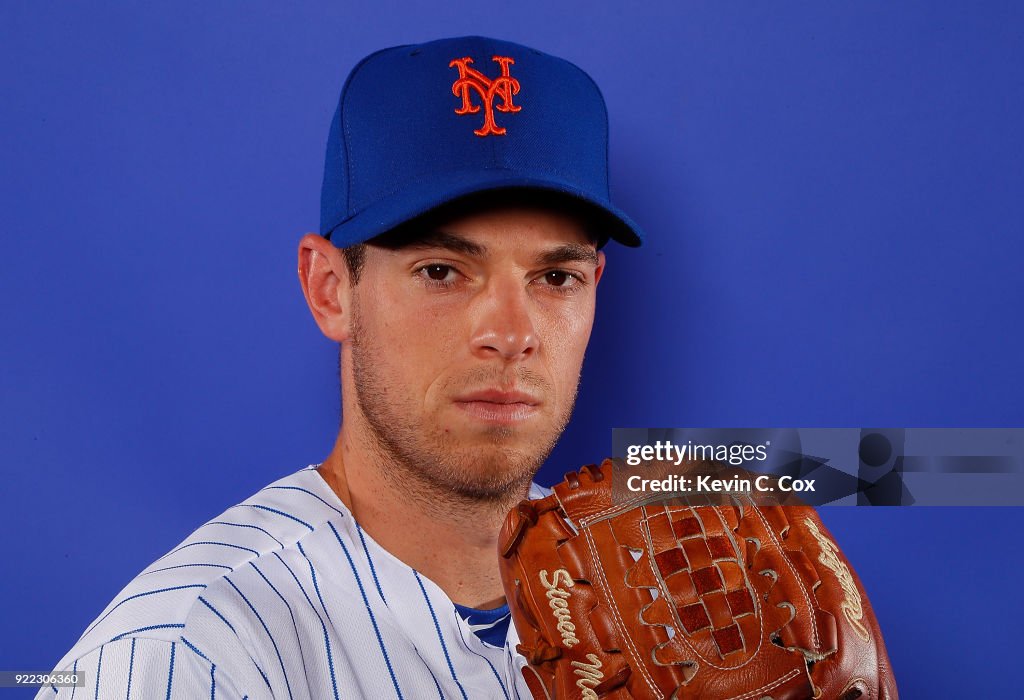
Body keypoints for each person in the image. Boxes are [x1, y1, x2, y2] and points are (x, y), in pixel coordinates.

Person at [38, 35, 643, 699]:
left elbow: (766, 469)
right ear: (330, 289)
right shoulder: (182, 651)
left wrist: (773, 476)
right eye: (441, 271)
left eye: (556, 277)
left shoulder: (667, 586)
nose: (511, 333)